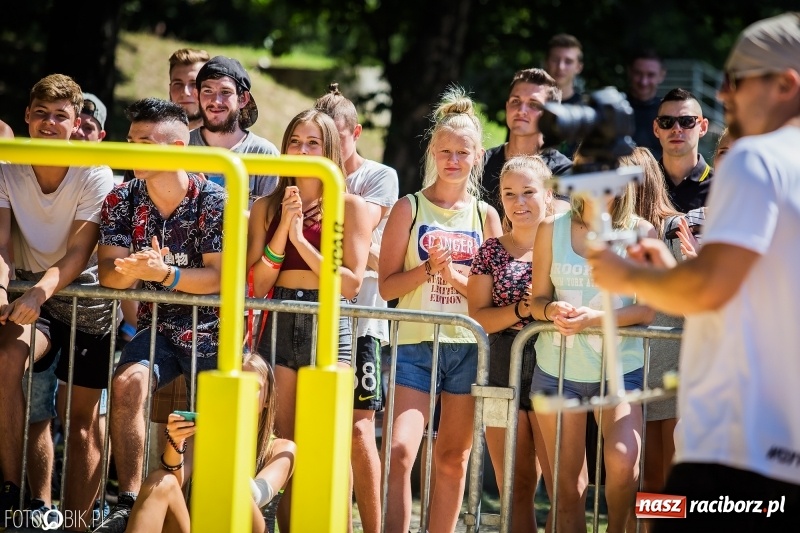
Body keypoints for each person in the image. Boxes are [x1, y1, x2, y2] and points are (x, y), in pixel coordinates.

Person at [588, 12, 800, 531]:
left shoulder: (754, 160)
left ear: (786, 83)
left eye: (735, 80)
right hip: (783, 448)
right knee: (655, 480)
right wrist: (666, 271)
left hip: (735, 445)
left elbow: (709, 289)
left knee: (663, 489)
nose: (724, 95)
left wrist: (627, 277)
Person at [96, 97, 226, 533]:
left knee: (221, 427)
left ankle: (218, 510)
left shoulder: (213, 198)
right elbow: (111, 277)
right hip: (160, 329)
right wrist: (134, 270)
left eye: (144, 142)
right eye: (130, 140)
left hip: (218, 331)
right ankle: (130, 499)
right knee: (126, 383)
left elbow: (218, 279)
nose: (132, 150)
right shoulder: (120, 197)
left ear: (177, 146)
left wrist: (163, 273)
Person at [378, 86, 502, 533]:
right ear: (433, 150)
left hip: (468, 348)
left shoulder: (487, 216)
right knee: (399, 452)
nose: (453, 160)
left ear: (477, 156)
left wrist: (453, 278)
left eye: (463, 152)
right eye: (445, 150)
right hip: (414, 343)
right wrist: (428, 272)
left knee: (453, 458)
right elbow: (388, 286)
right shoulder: (407, 208)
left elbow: (492, 296)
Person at [246, 108, 371, 532]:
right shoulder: (266, 206)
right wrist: (284, 227)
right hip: (279, 317)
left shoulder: (349, 206)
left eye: (313, 143)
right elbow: (260, 282)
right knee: (282, 442)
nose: (302, 150)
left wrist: (303, 239)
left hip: (326, 320)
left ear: (330, 150)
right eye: (295, 141)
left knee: (325, 443)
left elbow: (350, 284)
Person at [0, 74, 115, 529]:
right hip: (33, 293)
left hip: (83, 296)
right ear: (27, 117)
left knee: (83, 417)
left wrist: (37, 291)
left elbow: (77, 253)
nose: (50, 123)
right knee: (10, 362)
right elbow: (2, 246)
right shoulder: (8, 166)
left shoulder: (95, 171)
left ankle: (79, 521)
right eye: (41, 114)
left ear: (76, 122)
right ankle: (19, 499)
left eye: (60, 116)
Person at [529, 170, 655, 533]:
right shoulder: (550, 227)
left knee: (623, 464)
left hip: (620, 372)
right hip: (556, 370)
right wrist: (550, 310)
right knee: (567, 492)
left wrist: (595, 319)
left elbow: (645, 310)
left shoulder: (641, 231)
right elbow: (538, 300)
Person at [314, 83, 398, 533]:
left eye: (335, 138)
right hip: (315, 316)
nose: (326, 148)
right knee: (323, 431)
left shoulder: (379, 176)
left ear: (355, 133)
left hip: (363, 318)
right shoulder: (303, 173)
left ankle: (375, 526)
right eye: (318, 138)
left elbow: (361, 250)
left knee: (359, 428)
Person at [467, 155, 554, 533]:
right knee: (514, 486)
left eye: (529, 192)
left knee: (563, 484)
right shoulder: (490, 250)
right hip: (502, 367)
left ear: (548, 195)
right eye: (509, 194)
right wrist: (525, 309)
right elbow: (480, 317)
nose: (519, 202)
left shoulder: (569, 245)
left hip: (557, 364)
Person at [124, 352, 296, 533]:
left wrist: (220, 446)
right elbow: (175, 482)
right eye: (232, 385)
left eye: (251, 386)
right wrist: (176, 441)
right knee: (162, 480)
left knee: (233, 487)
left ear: (268, 398)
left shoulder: (283, 449)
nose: (239, 392)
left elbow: (254, 496)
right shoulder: (204, 434)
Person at [483, 68, 572, 221]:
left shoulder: (564, 171)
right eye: (515, 101)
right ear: (506, 106)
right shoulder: (481, 163)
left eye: (534, 104)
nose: (521, 110)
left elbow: (554, 223)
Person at [189, 55, 279, 204]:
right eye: (207, 91)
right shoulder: (180, 147)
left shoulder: (264, 154)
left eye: (225, 92)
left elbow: (268, 224)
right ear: (197, 96)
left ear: (243, 99)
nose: (216, 101)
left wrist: (215, 199)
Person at [653, 88, 712, 213]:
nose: (676, 129)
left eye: (686, 121)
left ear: (703, 127)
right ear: (656, 128)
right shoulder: (641, 185)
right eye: (666, 122)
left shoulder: (720, 187)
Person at [627, 50, 667, 159]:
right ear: (629, 72)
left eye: (651, 75)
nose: (643, 82)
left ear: (661, 75)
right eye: (638, 73)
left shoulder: (669, 113)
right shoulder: (614, 110)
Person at [168, 48, 210, 131]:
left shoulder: (231, 140)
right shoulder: (152, 138)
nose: (185, 92)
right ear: (170, 88)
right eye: (178, 84)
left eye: (194, 84)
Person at [544, 34, 584, 106]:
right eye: (555, 60)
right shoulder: (528, 106)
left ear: (578, 67)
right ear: (546, 63)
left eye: (568, 62)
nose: (561, 67)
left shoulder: (587, 110)